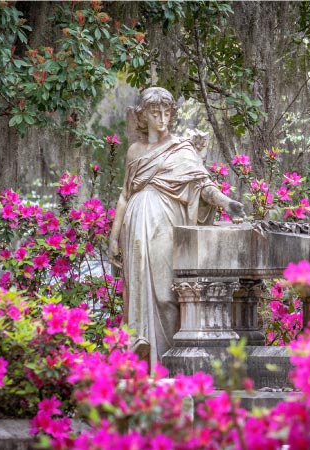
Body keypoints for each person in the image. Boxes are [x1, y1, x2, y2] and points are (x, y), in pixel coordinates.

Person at [108, 87, 245, 367]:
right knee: (137, 292)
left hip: (166, 226)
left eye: (166, 112)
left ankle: (169, 362)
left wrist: (225, 202)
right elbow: (125, 194)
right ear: (142, 116)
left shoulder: (182, 148)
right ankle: (142, 360)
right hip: (134, 230)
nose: (162, 118)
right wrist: (113, 236)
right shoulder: (135, 151)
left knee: (165, 291)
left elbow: (202, 185)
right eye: (155, 112)